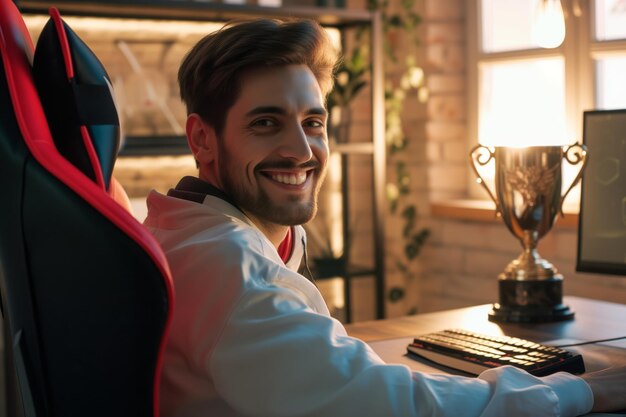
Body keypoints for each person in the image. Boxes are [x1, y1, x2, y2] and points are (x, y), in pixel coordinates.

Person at [143, 18, 626, 417]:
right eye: (265, 123)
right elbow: (378, 406)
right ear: (202, 139)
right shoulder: (227, 265)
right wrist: (585, 391)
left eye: (313, 122)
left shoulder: (192, 231)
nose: (300, 150)